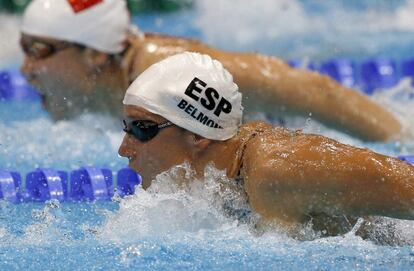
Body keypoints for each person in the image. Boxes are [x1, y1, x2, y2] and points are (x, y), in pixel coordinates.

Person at [118, 52, 414, 236]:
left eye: (141, 129)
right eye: (125, 128)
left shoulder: (280, 167)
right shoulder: (222, 179)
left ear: (198, 136)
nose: (124, 149)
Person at [19, 0, 403, 142]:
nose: (26, 69)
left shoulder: (168, 72)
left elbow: (315, 90)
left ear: (96, 55)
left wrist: (396, 137)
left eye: (39, 52)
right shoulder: (92, 88)